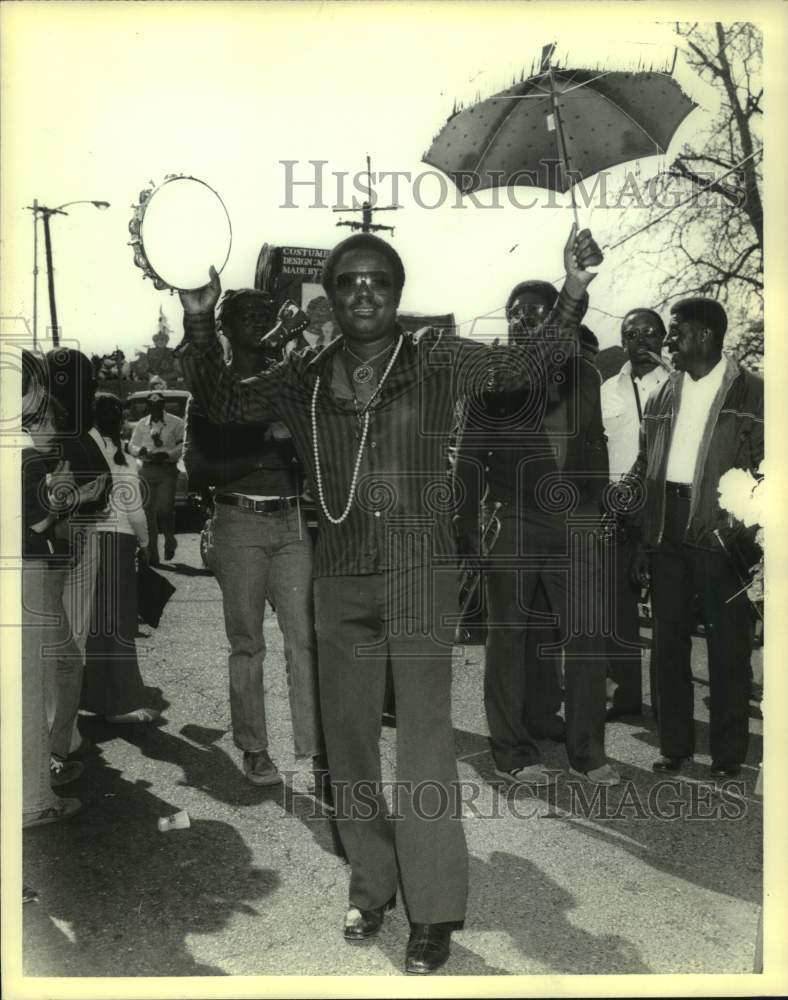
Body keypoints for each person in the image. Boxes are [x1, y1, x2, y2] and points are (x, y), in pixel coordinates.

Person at [177, 224, 602, 975]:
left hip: (420, 572)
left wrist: (570, 290)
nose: (363, 291)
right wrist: (200, 316)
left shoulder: (436, 359)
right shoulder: (304, 377)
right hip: (338, 575)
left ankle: (433, 910)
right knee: (347, 744)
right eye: (348, 282)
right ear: (331, 297)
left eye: (377, 280)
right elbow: (217, 400)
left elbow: (531, 362)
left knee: (425, 745)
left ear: (397, 293)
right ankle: (371, 883)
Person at [456, 279, 617, 789]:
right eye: (514, 311)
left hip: (576, 523)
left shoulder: (587, 375)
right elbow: (468, 457)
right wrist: (466, 532)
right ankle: (511, 752)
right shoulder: (494, 375)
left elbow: (595, 445)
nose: (521, 319)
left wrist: (598, 510)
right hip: (516, 520)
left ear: (556, 317)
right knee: (508, 639)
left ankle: (587, 753)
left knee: (589, 639)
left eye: (534, 311)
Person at [182, 288, 325, 787]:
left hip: (290, 521)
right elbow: (198, 470)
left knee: (305, 638)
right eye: (249, 313)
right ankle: (254, 749)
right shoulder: (210, 391)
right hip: (238, 520)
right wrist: (262, 445)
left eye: (267, 312)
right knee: (247, 644)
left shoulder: (289, 380)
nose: (263, 318)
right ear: (223, 326)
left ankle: (314, 748)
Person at [628, 297, 762, 778]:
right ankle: (676, 747)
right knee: (668, 645)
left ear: (705, 335)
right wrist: (644, 532)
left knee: (728, 649)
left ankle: (728, 756)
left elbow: (769, 470)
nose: (668, 342)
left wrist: (739, 525)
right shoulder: (665, 394)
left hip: (723, 530)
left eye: (677, 332)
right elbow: (648, 462)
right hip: (667, 522)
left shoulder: (754, 392)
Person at [21, 357, 82, 826]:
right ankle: (36, 798)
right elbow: (32, 529)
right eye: (41, 416)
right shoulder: (24, 457)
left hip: (35, 571)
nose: (49, 425)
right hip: (30, 575)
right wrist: (60, 500)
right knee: (37, 682)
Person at [600, 308, 670, 719]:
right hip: (619, 511)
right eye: (631, 333)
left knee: (669, 610)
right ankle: (622, 697)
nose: (640, 340)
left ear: (663, 338)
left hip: (665, 509)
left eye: (649, 333)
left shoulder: (681, 386)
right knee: (617, 607)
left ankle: (668, 705)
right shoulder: (608, 388)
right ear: (623, 340)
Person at [44, 347, 111, 760]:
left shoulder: (75, 428)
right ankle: (58, 738)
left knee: (65, 643)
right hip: (69, 537)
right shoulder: (61, 429)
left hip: (79, 534)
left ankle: (61, 732)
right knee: (65, 647)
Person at [81, 393, 161, 724]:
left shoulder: (85, 448)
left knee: (95, 621)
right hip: (120, 540)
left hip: (88, 538)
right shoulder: (125, 459)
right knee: (120, 623)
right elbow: (135, 511)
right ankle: (124, 699)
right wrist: (145, 542)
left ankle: (92, 696)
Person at [128, 390, 184, 565]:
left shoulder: (176, 423)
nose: (156, 409)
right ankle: (152, 553)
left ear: (163, 405)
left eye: (159, 406)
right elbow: (132, 444)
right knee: (147, 512)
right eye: (152, 406)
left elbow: (183, 445)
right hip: (146, 470)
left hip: (166, 470)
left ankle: (169, 539)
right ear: (148, 407)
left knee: (165, 509)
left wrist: (167, 455)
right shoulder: (141, 424)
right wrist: (139, 451)